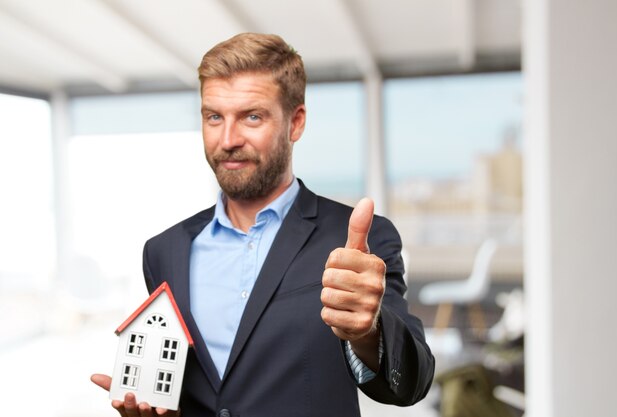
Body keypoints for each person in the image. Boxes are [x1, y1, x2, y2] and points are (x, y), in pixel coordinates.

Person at [92, 32, 434, 417]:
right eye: (214, 117)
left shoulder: (357, 241)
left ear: (296, 122)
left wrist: (369, 331)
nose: (228, 139)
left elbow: (412, 383)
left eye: (252, 116)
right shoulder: (163, 250)